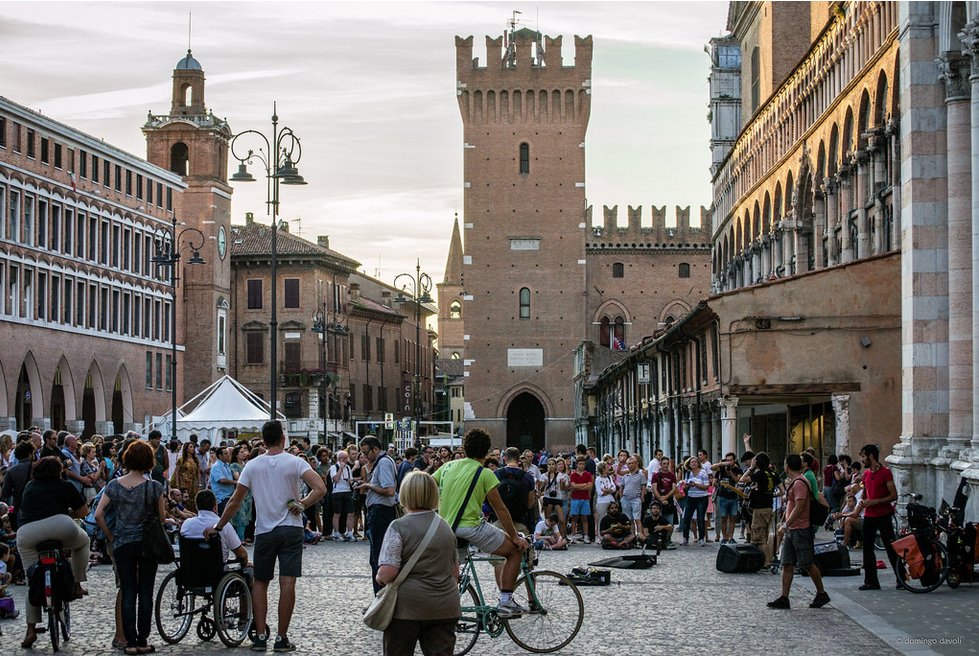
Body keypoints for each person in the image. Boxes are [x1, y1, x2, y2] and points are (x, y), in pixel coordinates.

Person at [206, 420, 325, 652]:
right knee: (287, 582)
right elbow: (320, 488)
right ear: (283, 438)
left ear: (263, 439)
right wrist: (302, 504)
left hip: (265, 530)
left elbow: (235, 501)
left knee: (260, 583)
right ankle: (281, 638)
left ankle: (260, 636)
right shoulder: (295, 462)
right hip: (291, 528)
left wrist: (219, 526)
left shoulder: (252, 465)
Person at [433, 429, 530, 617]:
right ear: (486, 452)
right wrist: (514, 536)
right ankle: (506, 602)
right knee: (514, 551)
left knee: (452, 572)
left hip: (447, 529)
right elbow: (500, 509)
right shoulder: (485, 473)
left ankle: (445, 609)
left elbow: (427, 484)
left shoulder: (447, 467)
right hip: (471, 527)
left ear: (466, 448)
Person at [375, 471, 460, 656]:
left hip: (406, 609)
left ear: (405, 494)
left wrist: (379, 577)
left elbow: (388, 573)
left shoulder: (398, 526)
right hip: (444, 607)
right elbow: (455, 573)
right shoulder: (445, 527)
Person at [95, 441, 165, 655]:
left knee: (127, 592)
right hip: (146, 544)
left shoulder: (114, 485)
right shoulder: (154, 487)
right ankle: (143, 640)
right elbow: (162, 517)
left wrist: (110, 535)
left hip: (122, 544)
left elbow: (98, 514)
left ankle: (130, 642)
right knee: (145, 592)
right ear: (148, 461)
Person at [16, 456, 91, 649]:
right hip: (60, 526)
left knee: (32, 579)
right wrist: (67, 512)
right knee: (83, 541)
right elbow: (83, 512)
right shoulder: (65, 486)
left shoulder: (30, 487)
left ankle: (31, 629)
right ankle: (76, 582)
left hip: (28, 533)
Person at [767, 454, 830, 609]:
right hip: (792, 529)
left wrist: (786, 524)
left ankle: (822, 593)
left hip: (800, 529)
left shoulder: (800, 483)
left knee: (807, 563)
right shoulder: (796, 482)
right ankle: (784, 597)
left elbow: (800, 506)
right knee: (787, 564)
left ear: (787, 466)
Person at [857, 443, 900, 591]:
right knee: (867, 549)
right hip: (869, 515)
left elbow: (893, 496)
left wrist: (875, 501)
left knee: (891, 547)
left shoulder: (886, 473)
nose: (862, 460)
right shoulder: (867, 474)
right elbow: (865, 495)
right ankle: (871, 581)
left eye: (863, 457)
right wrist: (860, 505)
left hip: (883, 514)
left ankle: (901, 578)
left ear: (871, 456)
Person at [360, 435, 399, 594]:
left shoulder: (383, 462)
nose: (365, 456)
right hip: (379, 511)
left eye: (366, 452)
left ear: (375, 449)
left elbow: (389, 490)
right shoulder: (384, 461)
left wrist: (368, 485)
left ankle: (381, 598)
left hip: (380, 511)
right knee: (376, 557)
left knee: (377, 558)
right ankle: (381, 596)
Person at [180, 489, 249, 566]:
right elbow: (242, 554)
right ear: (215, 506)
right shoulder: (223, 525)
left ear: (197, 507)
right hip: (216, 570)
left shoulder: (186, 524)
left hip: (191, 569)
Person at [740, 451, 779, 567]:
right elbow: (782, 491)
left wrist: (751, 468)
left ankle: (764, 562)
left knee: (759, 537)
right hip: (769, 507)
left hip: (759, 508)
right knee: (768, 535)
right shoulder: (773, 474)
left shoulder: (760, 474)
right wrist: (771, 494)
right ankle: (769, 559)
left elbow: (742, 479)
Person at [494, 447, 536, 534]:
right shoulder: (528, 477)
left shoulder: (496, 474)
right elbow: (530, 504)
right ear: (518, 459)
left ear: (505, 458)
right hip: (520, 522)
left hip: (499, 522)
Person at [1, 441, 34, 530]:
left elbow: (5, 493)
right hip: (38, 506)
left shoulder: (11, 471)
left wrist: (16, 492)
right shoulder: (38, 467)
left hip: (20, 506)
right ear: (30, 453)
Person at [711, 452, 744, 544]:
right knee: (723, 517)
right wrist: (722, 464)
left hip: (733, 496)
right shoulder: (722, 468)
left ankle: (731, 537)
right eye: (727, 460)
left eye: (731, 460)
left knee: (733, 517)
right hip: (722, 496)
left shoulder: (738, 470)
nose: (729, 462)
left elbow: (738, 480)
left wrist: (730, 474)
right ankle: (724, 537)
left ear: (734, 460)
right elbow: (712, 467)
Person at [680, 456, 710, 546]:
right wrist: (686, 486)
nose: (693, 463)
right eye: (692, 462)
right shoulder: (688, 473)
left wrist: (695, 484)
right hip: (691, 497)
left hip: (701, 498)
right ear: (689, 464)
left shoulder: (703, 473)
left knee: (700, 518)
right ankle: (685, 538)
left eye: (695, 462)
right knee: (687, 518)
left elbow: (706, 487)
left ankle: (701, 538)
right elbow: (685, 484)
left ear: (698, 463)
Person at [329, 450, 357, 542]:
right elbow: (336, 479)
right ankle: (336, 533)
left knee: (351, 513)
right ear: (338, 459)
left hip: (347, 491)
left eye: (346, 458)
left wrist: (351, 481)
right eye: (343, 458)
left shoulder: (348, 467)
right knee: (337, 513)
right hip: (337, 492)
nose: (345, 460)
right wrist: (340, 468)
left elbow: (350, 480)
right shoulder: (334, 467)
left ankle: (349, 533)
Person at [540, 457, 569, 539]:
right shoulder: (544, 476)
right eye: (549, 464)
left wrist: (563, 483)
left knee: (562, 519)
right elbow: (541, 489)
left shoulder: (560, 475)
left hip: (557, 498)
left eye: (553, 464)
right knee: (548, 519)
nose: (551, 466)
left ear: (555, 465)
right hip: (548, 497)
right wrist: (544, 484)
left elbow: (563, 488)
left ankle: (562, 538)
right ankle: (548, 537)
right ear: (547, 466)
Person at [618, 455, 646, 537]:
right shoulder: (625, 476)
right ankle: (632, 536)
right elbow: (621, 487)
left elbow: (643, 487)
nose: (630, 465)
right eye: (628, 464)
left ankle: (640, 536)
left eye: (632, 463)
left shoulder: (640, 475)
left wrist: (641, 497)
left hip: (636, 498)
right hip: (626, 498)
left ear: (636, 463)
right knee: (629, 519)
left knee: (637, 518)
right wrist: (621, 498)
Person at [568, 456, 594, 543]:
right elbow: (573, 486)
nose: (581, 465)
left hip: (585, 498)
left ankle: (586, 536)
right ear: (577, 464)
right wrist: (584, 485)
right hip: (575, 498)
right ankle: (573, 535)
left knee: (585, 517)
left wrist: (578, 486)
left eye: (583, 464)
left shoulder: (588, 474)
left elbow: (590, 486)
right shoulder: (573, 474)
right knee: (574, 517)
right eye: (580, 464)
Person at [172, 442, 200, 512]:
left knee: (192, 500)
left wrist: (199, 483)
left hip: (193, 483)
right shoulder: (181, 460)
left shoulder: (196, 460)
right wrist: (177, 483)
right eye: (191, 447)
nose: (193, 449)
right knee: (184, 499)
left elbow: (198, 472)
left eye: (193, 447)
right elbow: (177, 472)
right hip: (183, 483)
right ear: (186, 449)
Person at [209, 446, 237, 514]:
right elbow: (222, 480)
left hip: (229, 496)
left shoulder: (227, 465)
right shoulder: (216, 466)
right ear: (220, 456)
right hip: (222, 498)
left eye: (228, 453)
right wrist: (236, 482)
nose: (228, 455)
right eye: (225, 454)